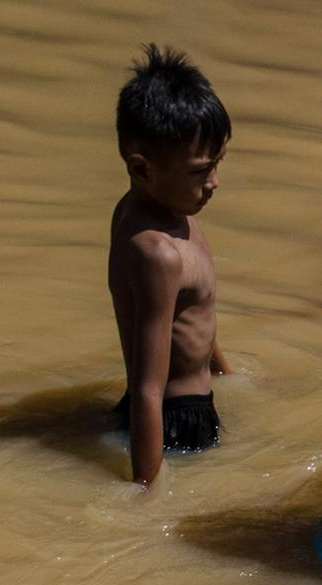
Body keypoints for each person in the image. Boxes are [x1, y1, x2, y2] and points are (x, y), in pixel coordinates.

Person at [107, 44, 232, 484]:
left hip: (176, 408)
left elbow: (195, 309)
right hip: (177, 423)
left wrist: (226, 374)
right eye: (200, 171)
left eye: (217, 163)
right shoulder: (156, 253)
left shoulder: (169, 212)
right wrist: (146, 490)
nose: (214, 182)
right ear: (142, 169)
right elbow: (148, 389)